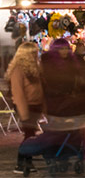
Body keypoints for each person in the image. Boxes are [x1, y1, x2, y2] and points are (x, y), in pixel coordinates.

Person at [7, 42, 43, 174]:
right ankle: (21, 162)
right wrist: (24, 112)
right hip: (26, 106)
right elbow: (18, 92)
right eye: (33, 53)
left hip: (35, 105)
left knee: (31, 135)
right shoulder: (18, 70)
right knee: (29, 135)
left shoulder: (35, 68)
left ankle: (27, 162)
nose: (36, 54)